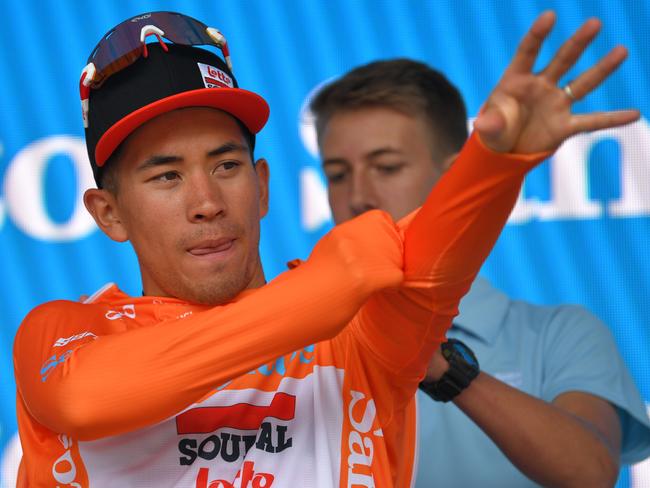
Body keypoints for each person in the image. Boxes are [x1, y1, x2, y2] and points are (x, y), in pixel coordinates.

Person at [12, 10, 638, 488]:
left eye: (227, 165)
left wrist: (496, 163)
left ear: (261, 188)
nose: (207, 201)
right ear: (109, 213)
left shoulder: (360, 324)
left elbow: (432, 264)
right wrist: (327, 290)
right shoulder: (65, 332)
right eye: (166, 175)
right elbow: (84, 400)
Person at [310, 25, 650, 488]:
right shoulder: (298, 340)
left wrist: (444, 365)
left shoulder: (559, 334)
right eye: (336, 174)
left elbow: (590, 473)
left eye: (386, 167)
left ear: (458, 178)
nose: (358, 196)